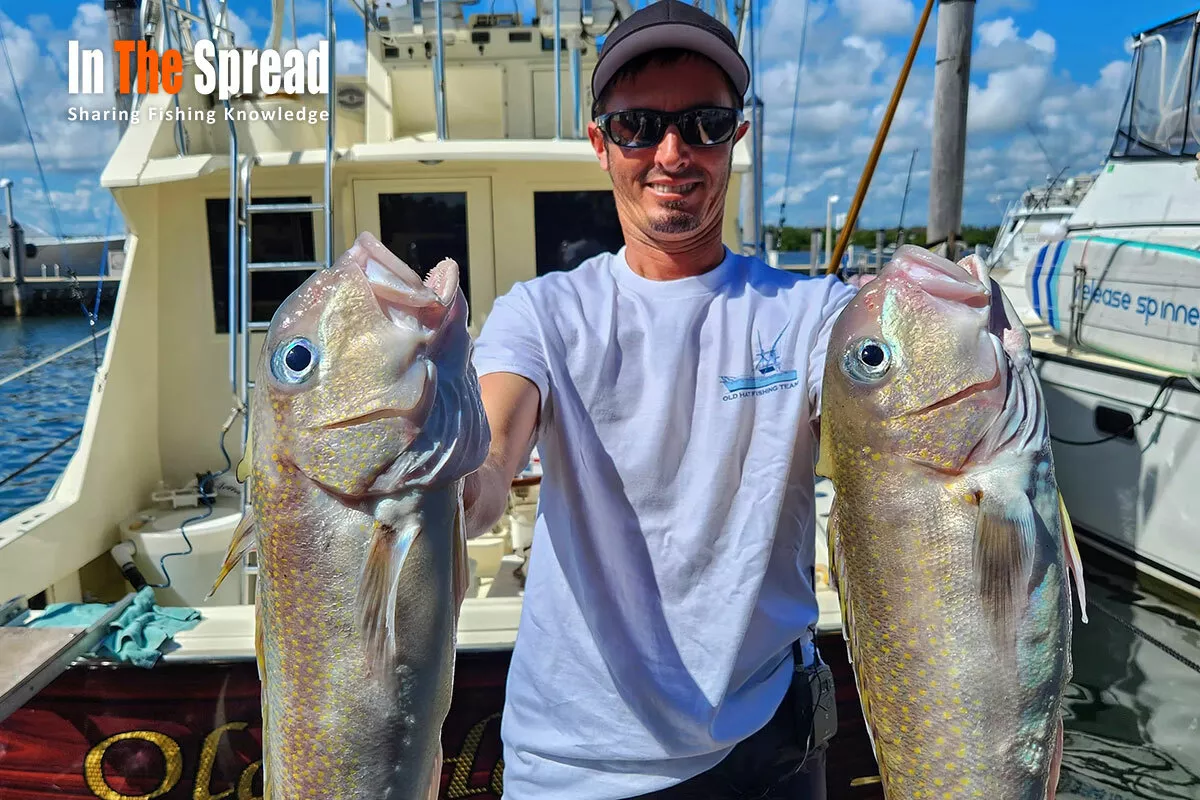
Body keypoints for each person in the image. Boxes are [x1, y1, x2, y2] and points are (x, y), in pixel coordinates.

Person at [462, 1, 859, 797]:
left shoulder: (814, 315)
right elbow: (481, 476)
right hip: (577, 766)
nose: (673, 152)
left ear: (736, 139)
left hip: (768, 748)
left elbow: (904, 447)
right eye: (640, 125)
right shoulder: (541, 313)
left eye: (705, 124)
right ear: (602, 144)